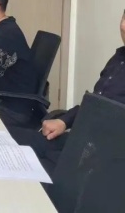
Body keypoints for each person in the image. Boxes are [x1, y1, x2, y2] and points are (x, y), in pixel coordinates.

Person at [11, 11, 125, 174]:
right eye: (124, 17)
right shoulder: (119, 58)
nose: (123, 26)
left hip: (97, 163)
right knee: (8, 138)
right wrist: (64, 121)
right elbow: (96, 103)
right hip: (77, 141)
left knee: (17, 168)